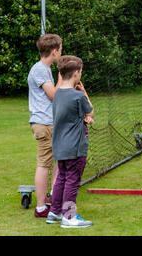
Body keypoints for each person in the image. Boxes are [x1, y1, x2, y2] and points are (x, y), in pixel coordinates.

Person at [45, 55, 94, 228]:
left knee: (61, 179)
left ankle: (54, 212)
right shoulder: (77, 96)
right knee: (72, 180)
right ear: (75, 73)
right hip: (75, 147)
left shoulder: (57, 94)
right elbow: (90, 110)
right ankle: (69, 217)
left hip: (60, 146)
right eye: (80, 72)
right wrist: (84, 92)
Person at [27, 34, 63, 217]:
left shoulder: (44, 68)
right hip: (44, 123)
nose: (61, 53)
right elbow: (53, 95)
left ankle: (53, 197)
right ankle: (41, 207)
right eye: (61, 50)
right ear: (55, 51)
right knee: (44, 164)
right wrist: (62, 77)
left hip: (50, 122)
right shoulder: (40, 69)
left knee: (56, 160)